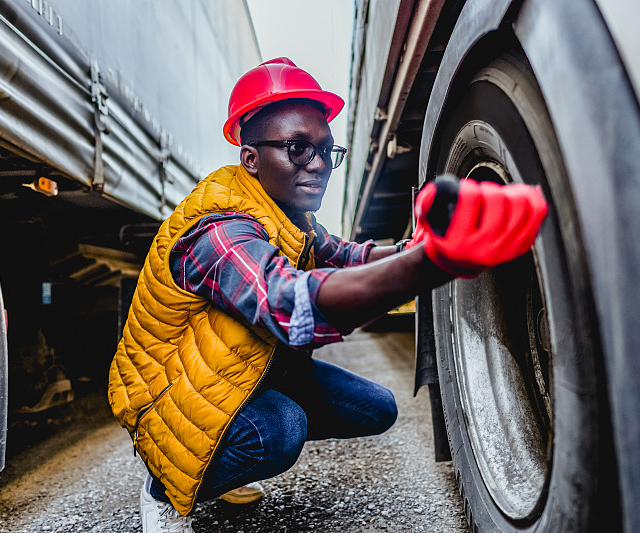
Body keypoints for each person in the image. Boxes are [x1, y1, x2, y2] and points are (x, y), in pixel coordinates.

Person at [107, 57, 547, 533]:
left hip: (238, 373)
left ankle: (222, 453)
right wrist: (428, 266)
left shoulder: (290, 217)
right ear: (250, 158)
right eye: (298, 148)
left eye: (325, 150)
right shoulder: (218, 229)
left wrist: (419, 246)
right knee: (280, 431)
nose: (318, 165)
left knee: (376, 408)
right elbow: (285, 301)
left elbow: (349, 257)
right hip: (166, 396)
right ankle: (164, 482)